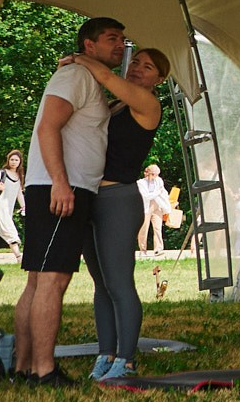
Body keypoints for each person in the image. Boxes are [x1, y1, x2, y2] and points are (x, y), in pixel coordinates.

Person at [14, 15, 125, 385]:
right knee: (53, 280)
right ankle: (44, 370)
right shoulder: (75, 76)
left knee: (38, 280)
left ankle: (24, 368)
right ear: (89, 45)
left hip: (62, 186)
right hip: (61, 188)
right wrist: (60, 183)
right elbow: (48, 126)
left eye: (122, 39)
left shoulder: (86, 77)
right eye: (111, 38)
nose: (120, 45)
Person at [72, 45, 169, 380]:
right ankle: (106, 354)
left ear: (159, 79)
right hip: (91, 195)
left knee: (119, 283)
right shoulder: (116, 106)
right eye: (136, 62)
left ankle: (126, 360)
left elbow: (104, 75)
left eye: (148, 67)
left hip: (117, 199)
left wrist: (79, 58)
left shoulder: (148, 104)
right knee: (101, 284)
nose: (138, 68)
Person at [136, 164, 168, 255]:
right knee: (144, 228)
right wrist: (157, 193)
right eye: (153, 174)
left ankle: (158, 248)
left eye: (156, 174)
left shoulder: (159, 180)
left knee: (158, 228)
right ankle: (143, 250)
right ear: (147, 173)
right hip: (146, 207)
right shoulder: (140, 183)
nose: (155, 176)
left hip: (157, 205)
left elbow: (163, 192)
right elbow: (146, 196)